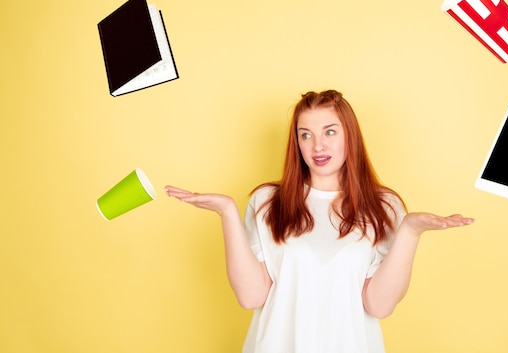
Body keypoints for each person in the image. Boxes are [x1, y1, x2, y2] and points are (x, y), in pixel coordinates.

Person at [165, 89, 474, 353]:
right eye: (305, 135)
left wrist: (411, 230)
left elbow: (379, 305)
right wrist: (227, 212)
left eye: (330, 131)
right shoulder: (267, 202)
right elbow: (251, 296)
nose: (318, 146)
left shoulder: (384, 206)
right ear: (296, 143)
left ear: (349, 136)